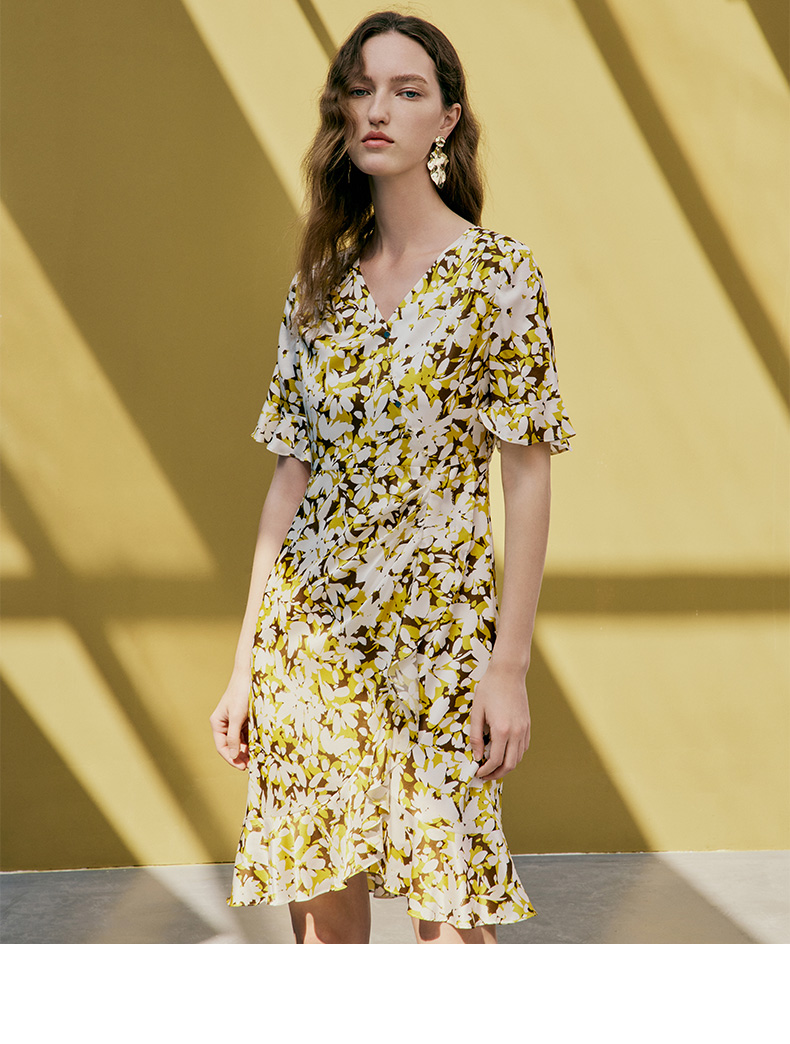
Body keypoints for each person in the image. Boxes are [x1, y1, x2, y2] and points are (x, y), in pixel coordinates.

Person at [209, 9, 575, 945]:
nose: (378, 109)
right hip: (310, 645)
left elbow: (526, 479)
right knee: (328, 941)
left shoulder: (499, 277)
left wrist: (508, 667)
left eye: (407, 91)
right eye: (361, 89)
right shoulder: (318, 284)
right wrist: (246, 667)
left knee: (454, 928)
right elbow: (290, 480)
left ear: (446, 120)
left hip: (439, 644)